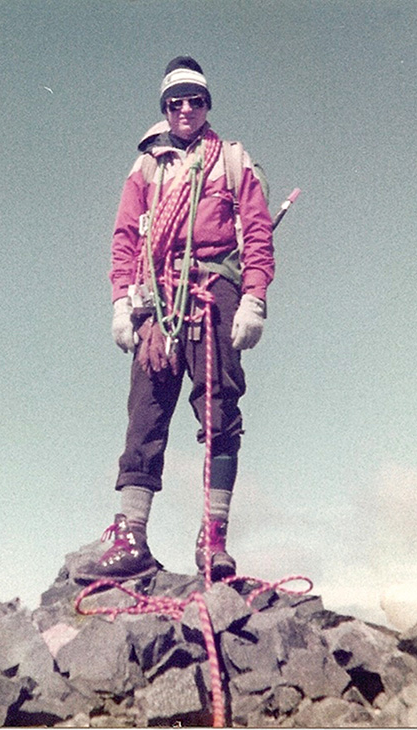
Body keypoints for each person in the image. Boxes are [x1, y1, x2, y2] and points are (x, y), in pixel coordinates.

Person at [76, 56, 274, 584]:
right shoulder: (146, 167)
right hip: (157, 300)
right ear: (165, 108)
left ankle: (214, 539)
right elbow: (125, 237)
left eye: (195, 100)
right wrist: (123, 304)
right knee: (146, 411)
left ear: (207, 105)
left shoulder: (231, 161)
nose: (185, 109)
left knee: (219, 409)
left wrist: (253, 298)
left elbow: (256, 233)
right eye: (175, 102)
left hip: (215, 292)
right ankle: (132, 534)